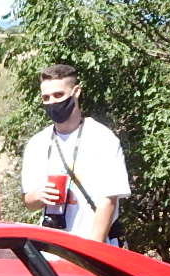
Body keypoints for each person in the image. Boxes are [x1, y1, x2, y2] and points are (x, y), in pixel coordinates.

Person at [20, 64, 130, 244]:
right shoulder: (37, 143)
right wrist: (39, 195)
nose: (52, 102)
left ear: (76, 91)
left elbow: (108, 201)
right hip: (52, 249)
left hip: (94, 246)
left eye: (58, 95)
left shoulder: (102, 138)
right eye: (46, 98)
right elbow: (29, 202)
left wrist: (93, 250)